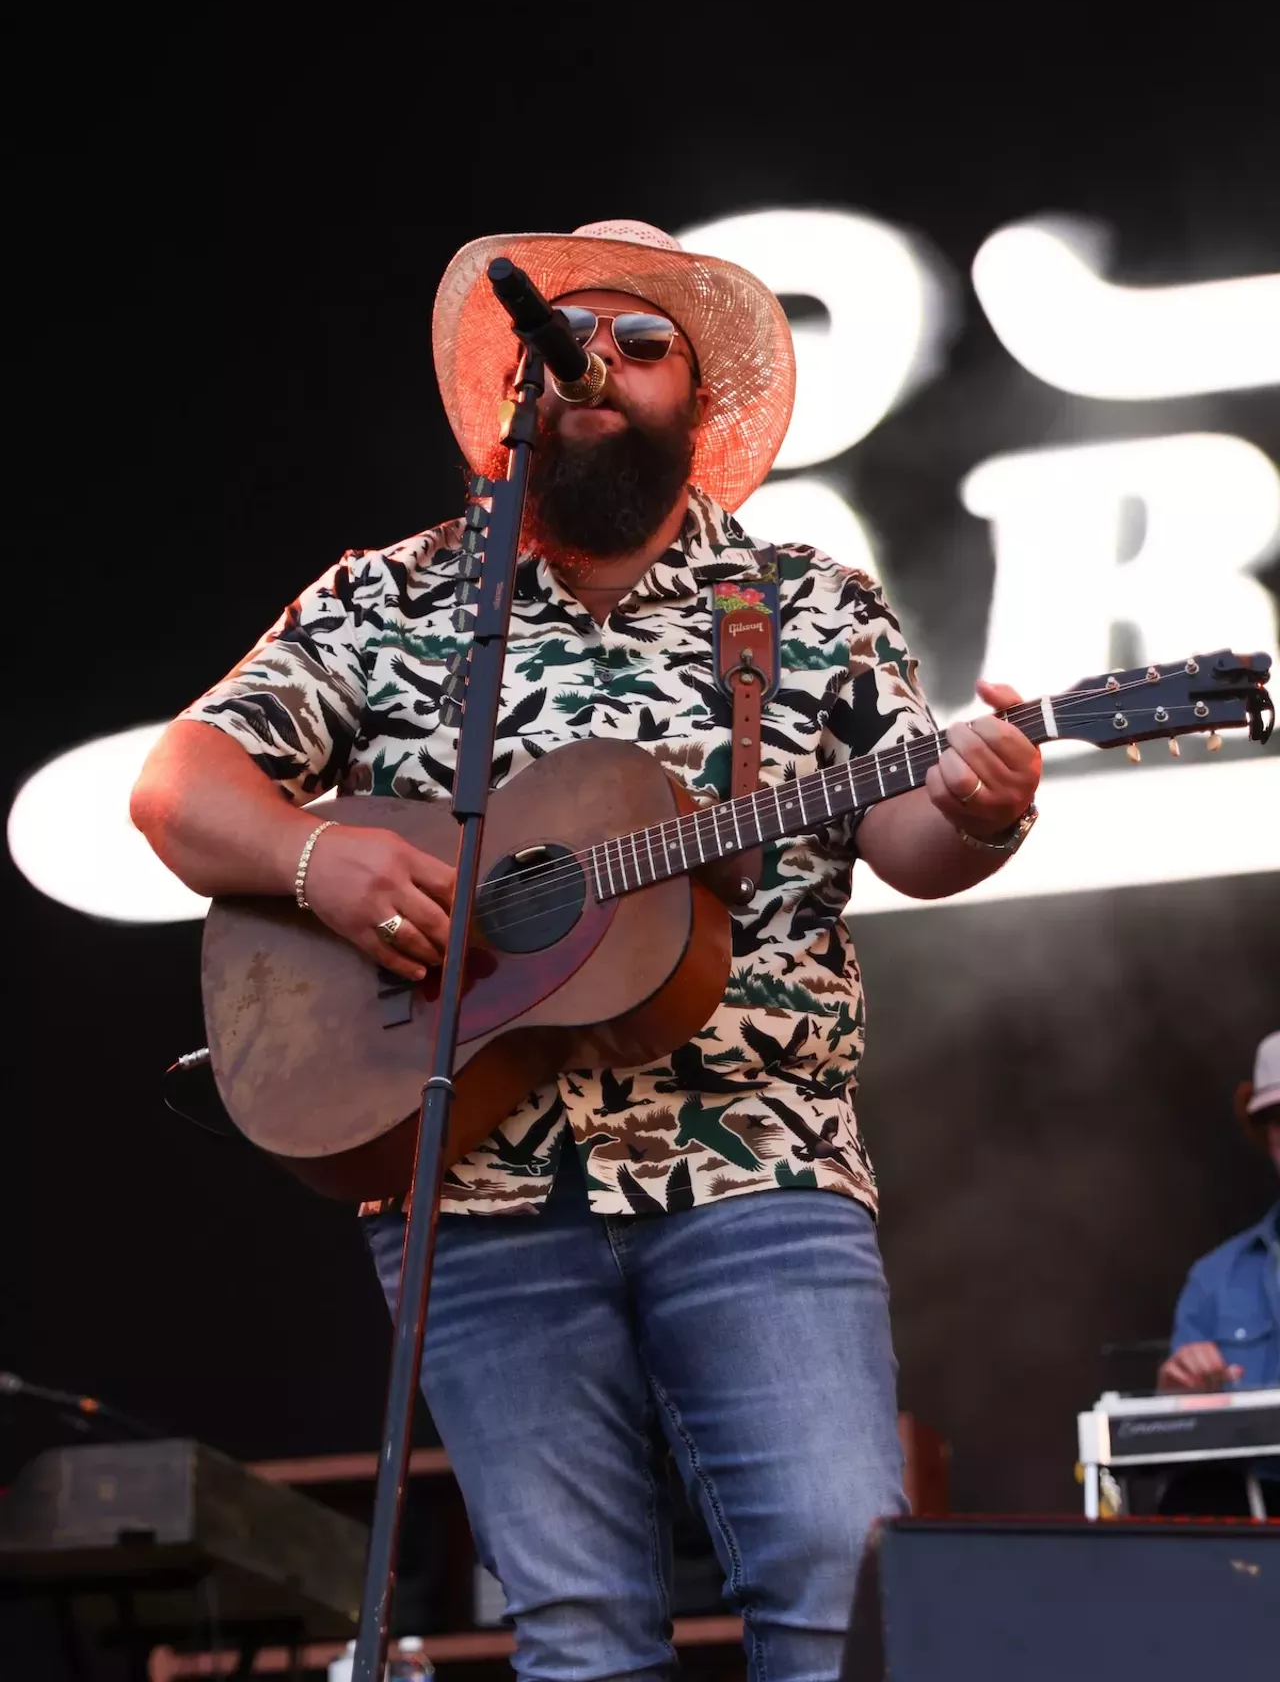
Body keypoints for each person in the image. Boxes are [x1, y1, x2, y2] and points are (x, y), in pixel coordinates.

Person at [131, 220, 1042, 1681]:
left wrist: (984, 815)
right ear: (521, 383)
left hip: (759, 1164)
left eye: (641, 344)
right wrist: (322, 854)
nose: (599, 366)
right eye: (571, 341)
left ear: (695, 397)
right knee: (575, 1632)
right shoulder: (395, 597)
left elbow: (908, 842)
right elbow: (178, 789)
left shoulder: (810, 606)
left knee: (836, 1573)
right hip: (477, 1194)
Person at [1152, 1031, 1280, 1517]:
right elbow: (1166, 1442)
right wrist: (1174, 1400)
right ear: (1268, 1137)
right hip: (1247, 1525)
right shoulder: (1213, 1279)